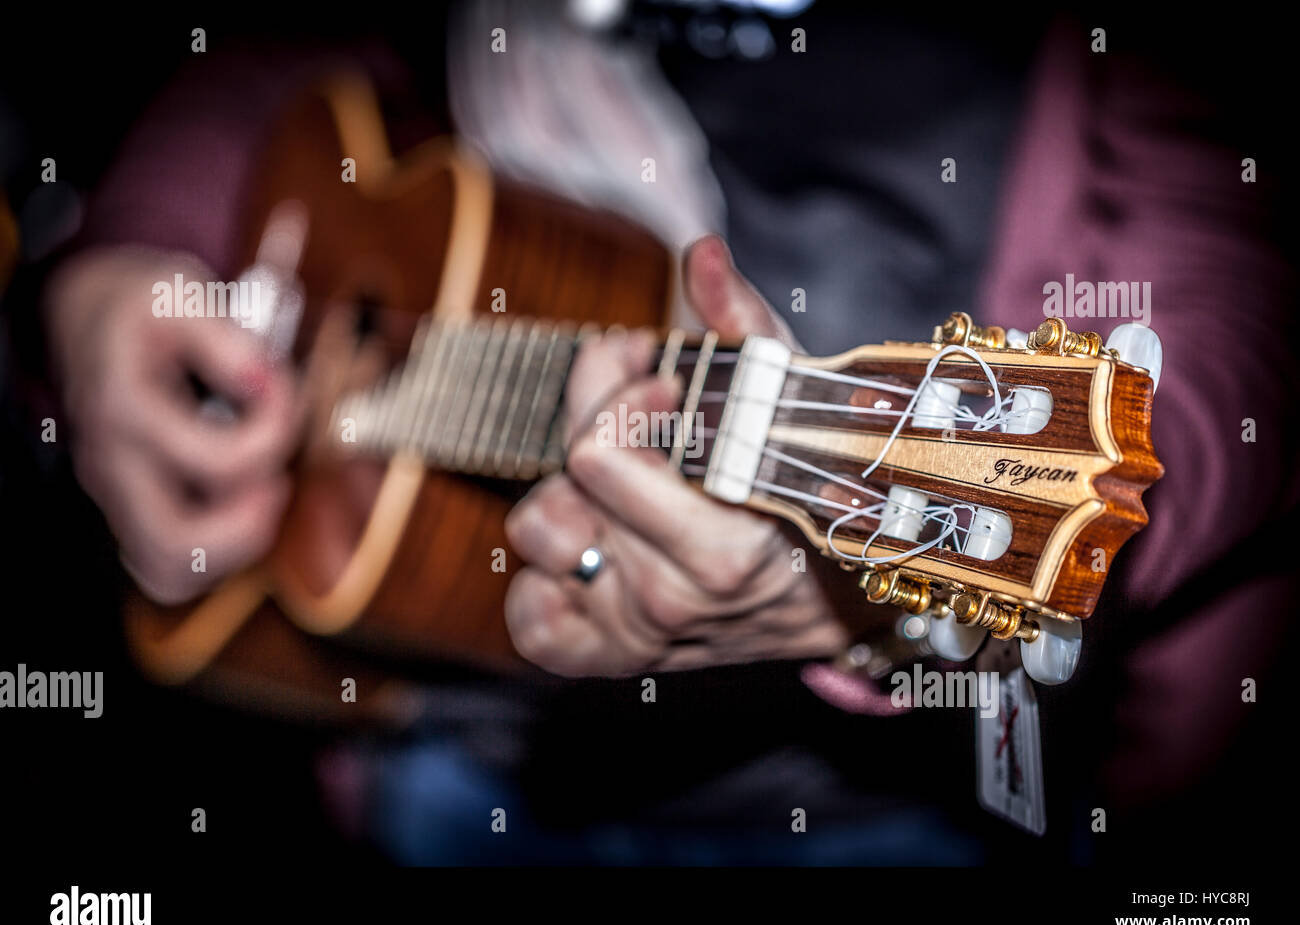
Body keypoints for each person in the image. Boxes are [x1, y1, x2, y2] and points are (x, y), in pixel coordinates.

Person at [36, 4, 1297, 863]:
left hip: (908, 809)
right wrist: (135, 251)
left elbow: (1245, 313)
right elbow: (281, 59)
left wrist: (858, 601)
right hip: (440, 759)